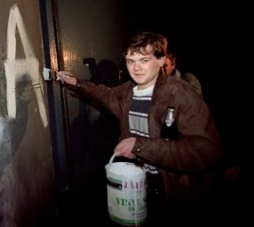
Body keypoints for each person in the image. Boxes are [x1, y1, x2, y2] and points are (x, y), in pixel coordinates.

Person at [56, 31, 223, 226]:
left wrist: (140, 146)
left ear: (161, 60)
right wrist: (76, 83)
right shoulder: (128, 91)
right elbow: (103, 94)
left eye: (144, 60)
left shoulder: (181, 94)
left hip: (172, 195)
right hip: (138, 189)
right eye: (130, 61)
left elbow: (209, 151)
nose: (136, 68)